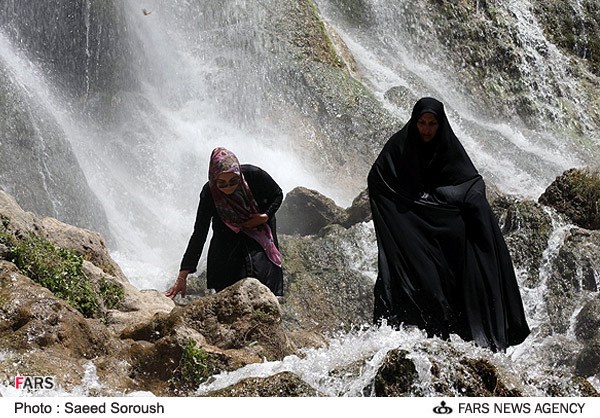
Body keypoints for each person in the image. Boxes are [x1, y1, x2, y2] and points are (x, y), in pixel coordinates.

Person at [367, 97, 530, 352]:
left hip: (444, 230)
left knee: (455, 278)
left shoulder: (448, 147)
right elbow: (377, 178)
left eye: (432, 123)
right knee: (423, 283)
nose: (426, 129)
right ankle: (418, 338)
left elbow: (471, 181)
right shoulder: (401, 145)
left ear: (441, 125)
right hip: (413, 228)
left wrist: (456, 200)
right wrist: (413, 204)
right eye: (421, 122)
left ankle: (461, 341)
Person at [166, 147, 284, 299]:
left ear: (239, 174)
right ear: (214, 179)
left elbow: (277, 194)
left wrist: (265, 216)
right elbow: (200, 232)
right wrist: (182, 276)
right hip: (226, 235)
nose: (228, 188)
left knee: (260, 277)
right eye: (222, 183)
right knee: (228, 285)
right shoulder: (209, 193)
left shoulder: (254, 175)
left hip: (258, 229)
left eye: (233, 181)